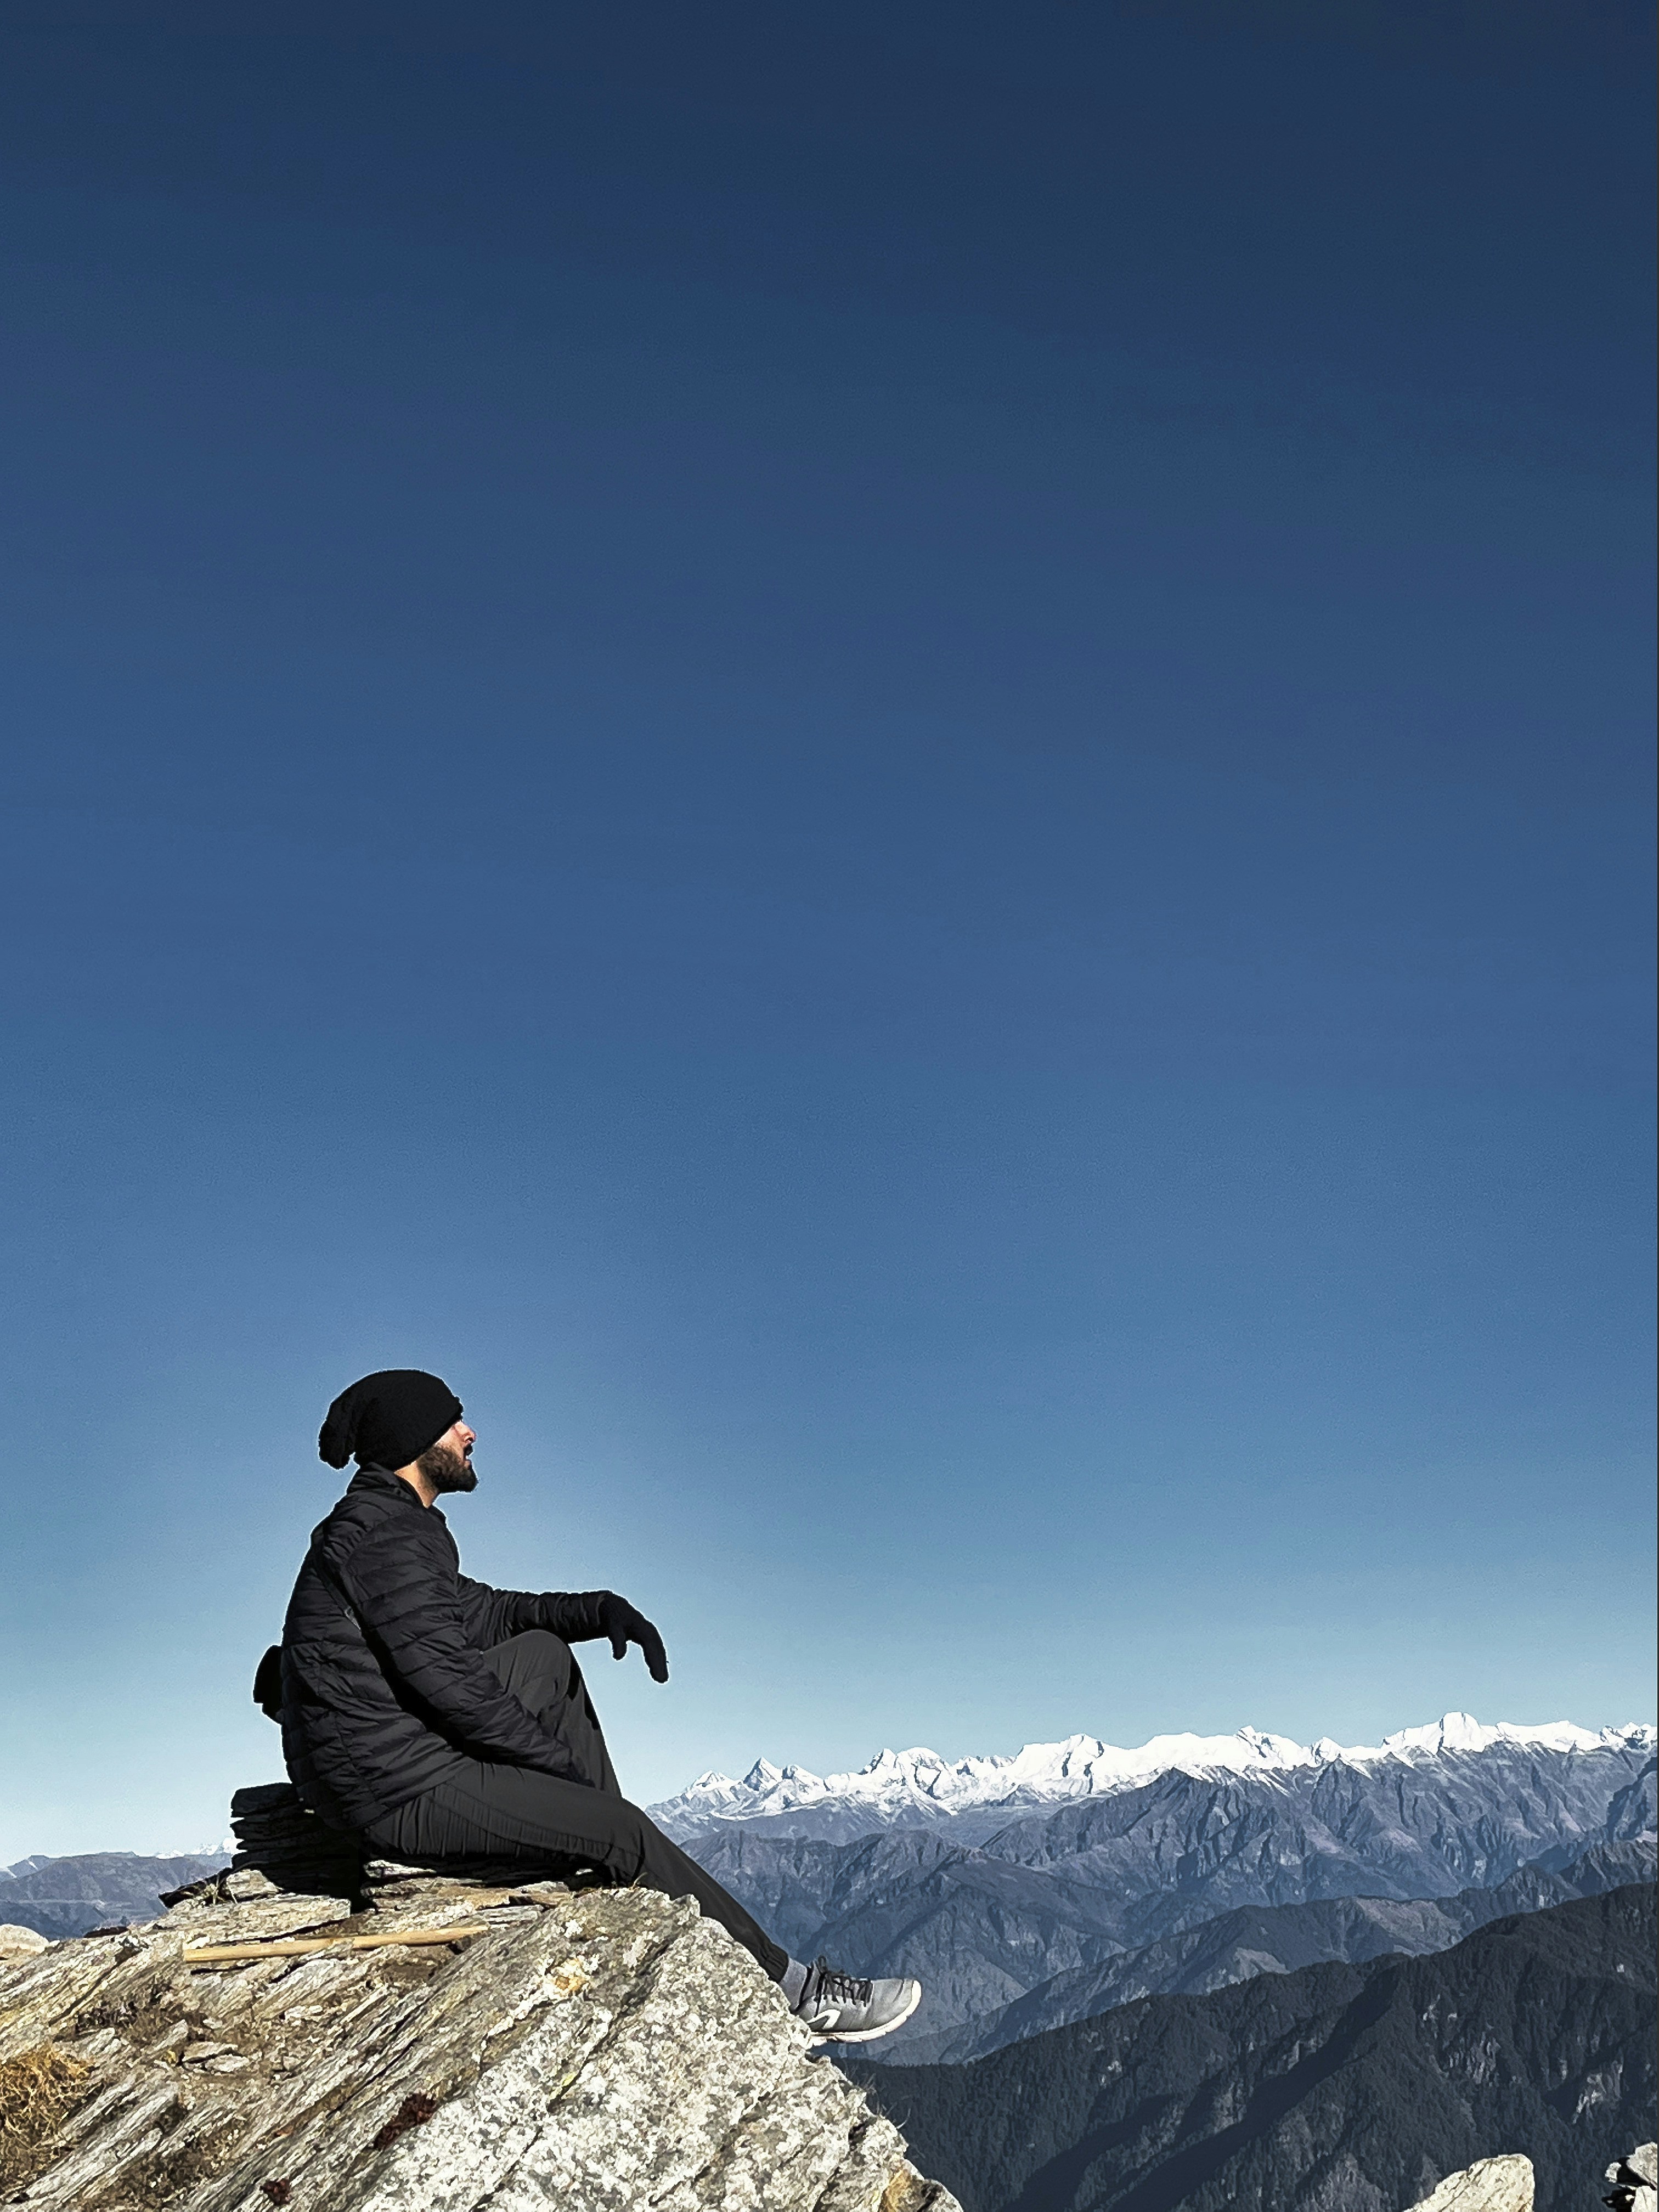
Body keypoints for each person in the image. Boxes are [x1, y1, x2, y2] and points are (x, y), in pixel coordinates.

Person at [276, 1367, 921, 2043]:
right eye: (452, 1422)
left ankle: (604, 1863)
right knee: (624, 1829)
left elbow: (486, 1614)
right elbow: (453, 1687)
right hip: (392, 1789)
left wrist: (598, 1609)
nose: (470, 1433)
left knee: (543, 1655)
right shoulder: (387, 1538)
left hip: (386, 1755)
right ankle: (798, 1993)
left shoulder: (393, 1526)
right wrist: (557, 1768)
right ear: (413, 1441)